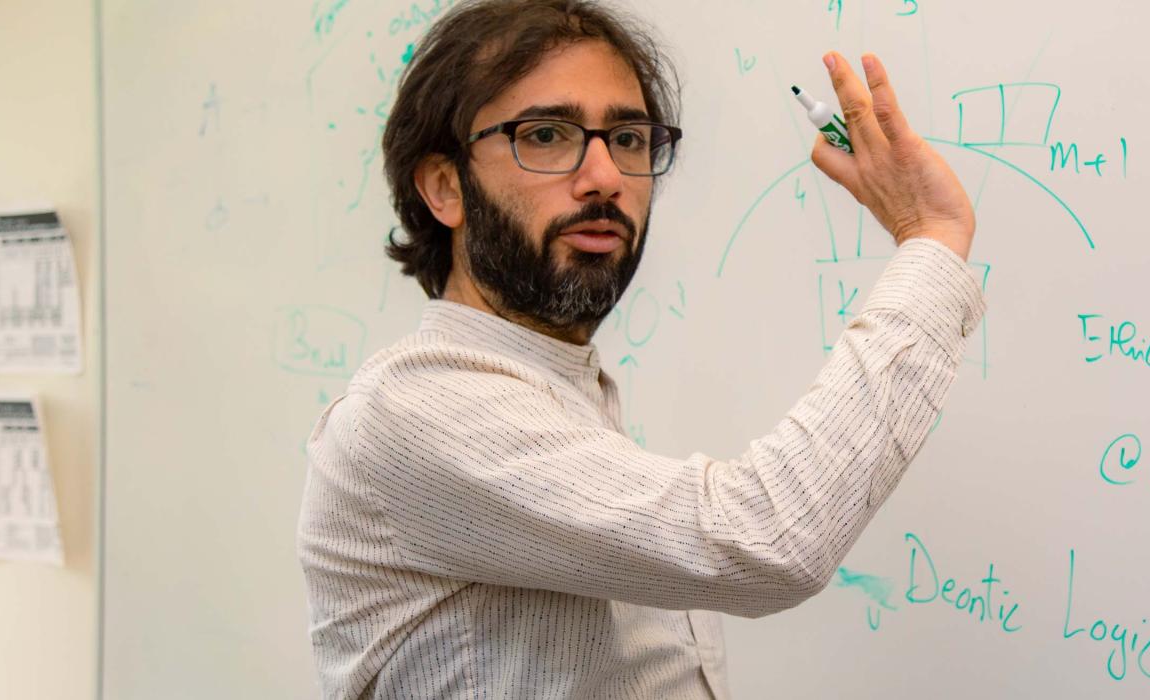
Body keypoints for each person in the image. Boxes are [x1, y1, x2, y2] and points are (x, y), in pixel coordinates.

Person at [295, 0, 984, 697]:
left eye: (628, 139)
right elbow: (767, 539)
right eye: (546, 134)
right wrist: (931, 239)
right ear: (446, 186)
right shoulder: (417, 409)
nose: (605, 177)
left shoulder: (561, 394)